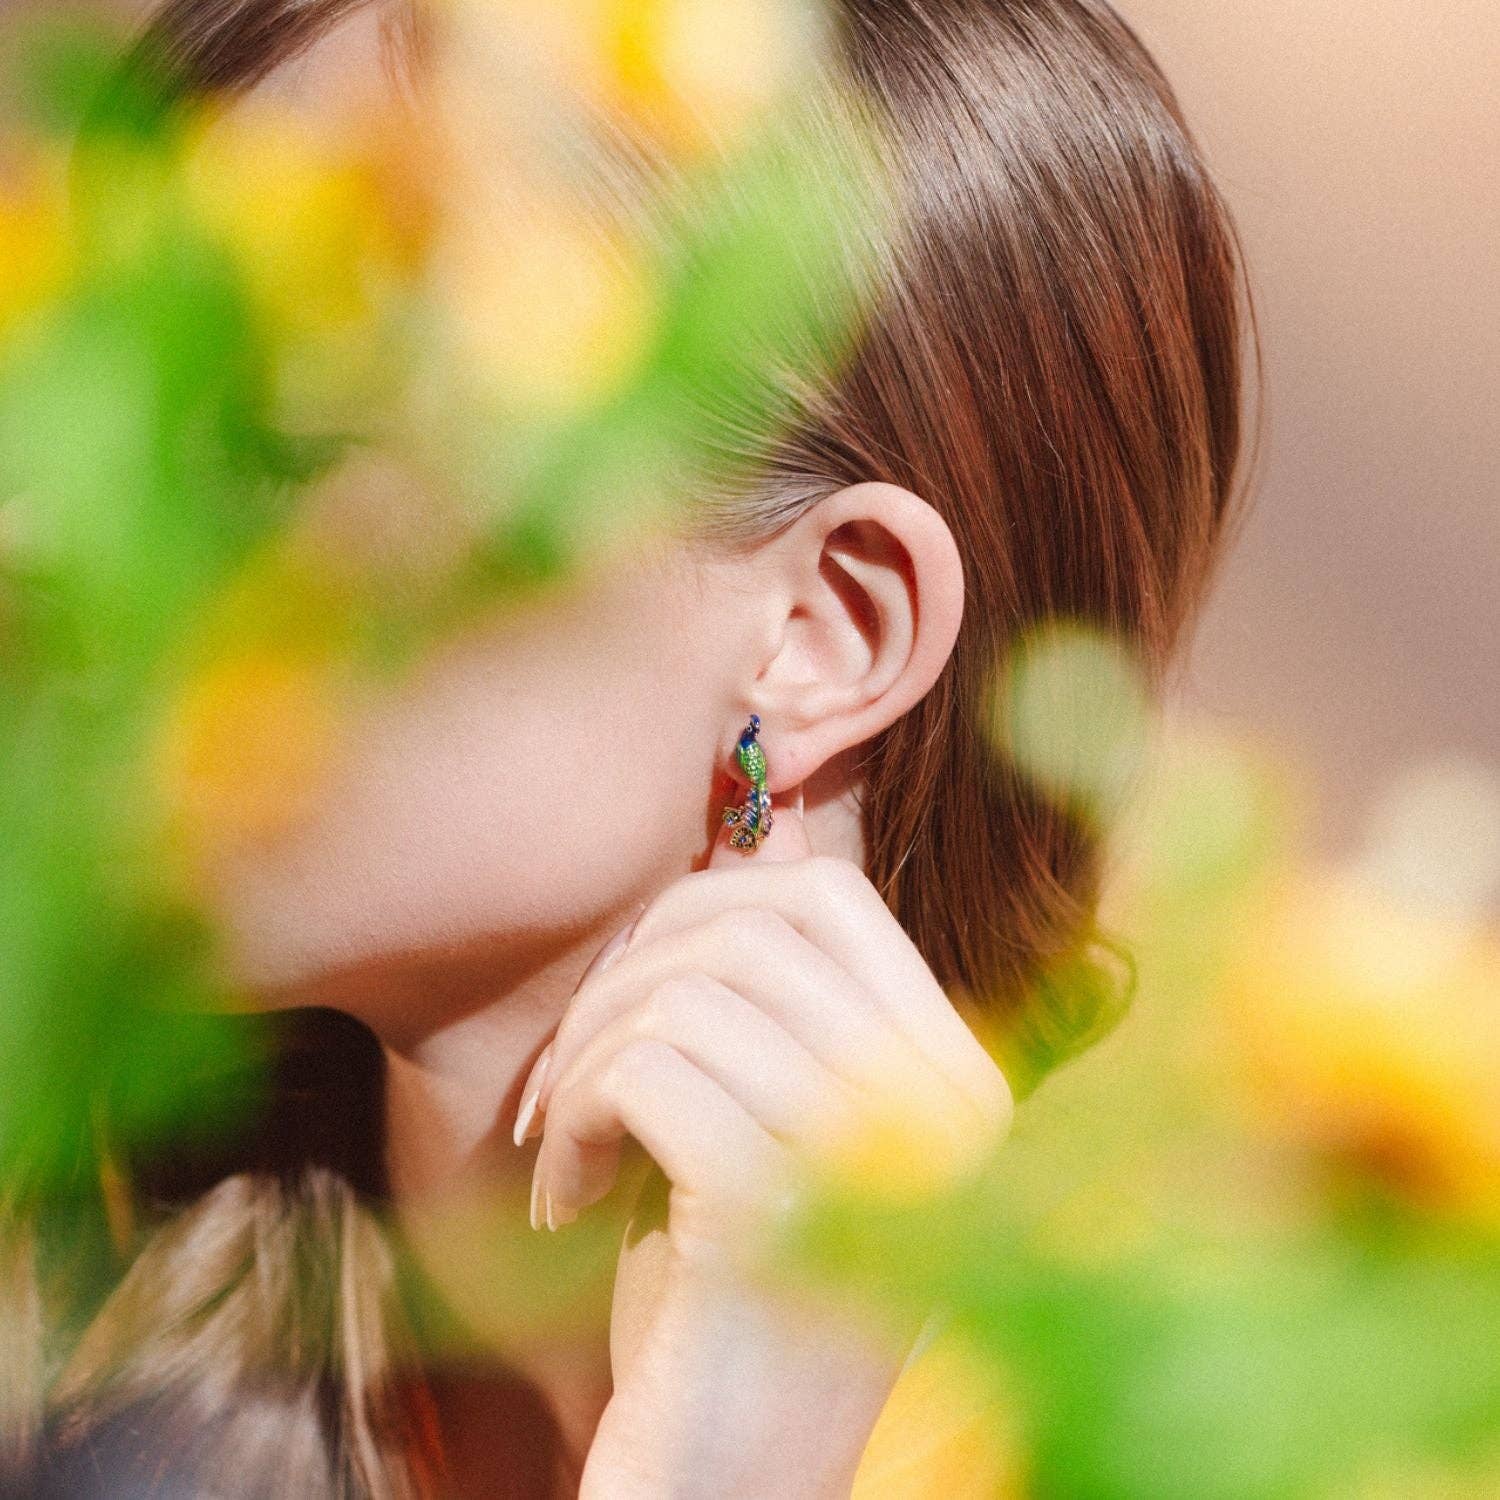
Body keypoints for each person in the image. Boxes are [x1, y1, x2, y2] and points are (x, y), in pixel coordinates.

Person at [3, 0, 1253, 1494]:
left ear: (825, 636)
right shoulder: (79, 1359)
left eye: (277, 425)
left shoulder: (1209, 1436)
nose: (40, 539)